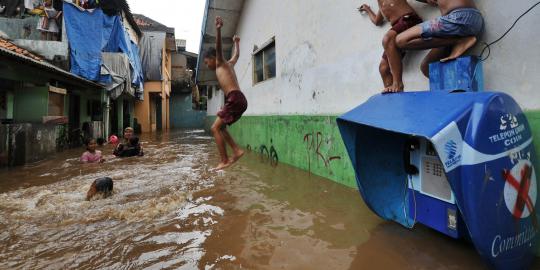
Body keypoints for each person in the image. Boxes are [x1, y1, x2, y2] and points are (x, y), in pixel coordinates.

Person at [395, 0, 484, 78]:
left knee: (401, 40)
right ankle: (456, 93)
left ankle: (460, 41)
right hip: (460, 25)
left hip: (459, 17)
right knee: (427, 67)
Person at [203, 16, 248, 171]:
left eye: (206, 61)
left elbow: (219, 48)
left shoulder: (220, 63)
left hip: (235, 98)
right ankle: (236, 150)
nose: (206, 65)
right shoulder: (229, 64)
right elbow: (237, 56)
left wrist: (218, 29)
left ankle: (224, 160)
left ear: (213, 58)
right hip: (239, 99)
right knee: (221, 127)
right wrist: (237, 43)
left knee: (214, 128)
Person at [358, 0, 423, 93]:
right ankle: (393, 96)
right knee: (383, 68)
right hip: (397, 28)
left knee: (387, 39)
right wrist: (367, 9)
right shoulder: (381, 4)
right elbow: (377, 21)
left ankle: (398, 84)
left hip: (409, 19)